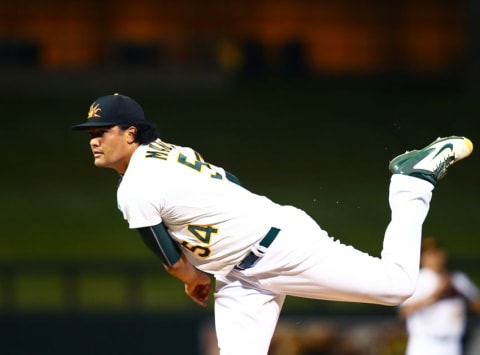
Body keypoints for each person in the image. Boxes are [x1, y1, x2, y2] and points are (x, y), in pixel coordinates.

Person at [72, 93, 474, 355]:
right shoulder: (164, 152)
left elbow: (174, 263)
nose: (93, 139)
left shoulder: (135, 187)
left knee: (399, 286)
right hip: (238, 278)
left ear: (130, 133)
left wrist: (193, 279)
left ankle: (410, 182)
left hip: (282, 249)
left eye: (102, 131)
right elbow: (229, 180)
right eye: (90, 132)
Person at [399, 237, 480, 355]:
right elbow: (404, 311)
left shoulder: (457, 279)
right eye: (431, 254)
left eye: (438, 253)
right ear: (422, 258)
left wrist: (465, 296)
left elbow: (477, 305)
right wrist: (435, 294)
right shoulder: (417, 281)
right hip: (424, 344)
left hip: (452, 345)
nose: (435, 257)